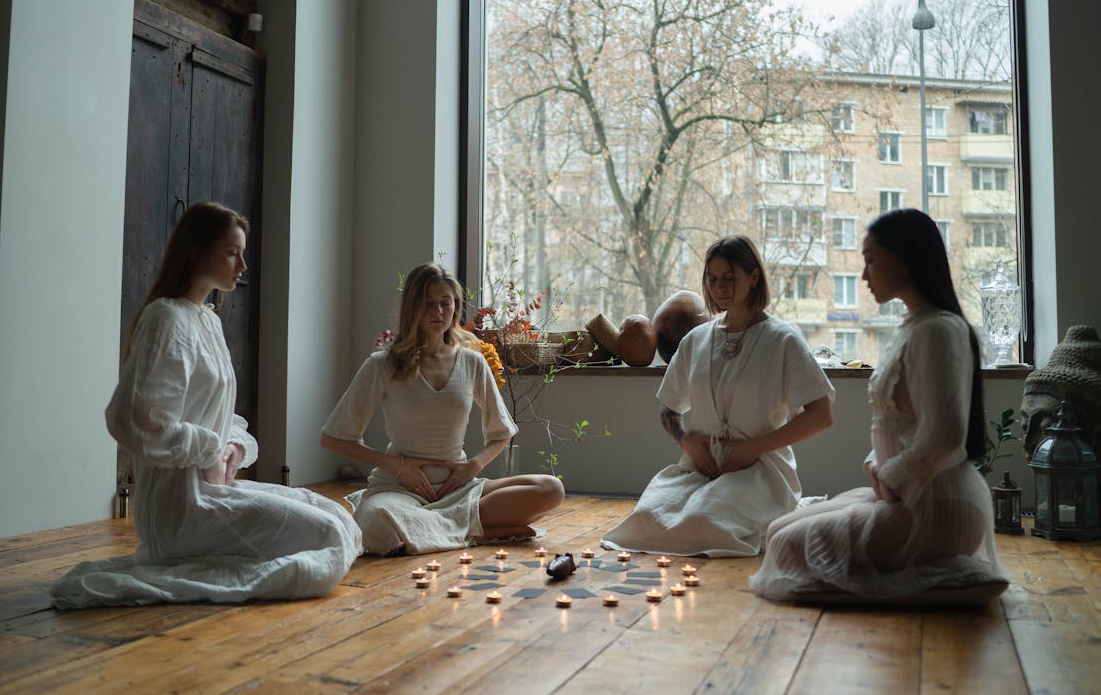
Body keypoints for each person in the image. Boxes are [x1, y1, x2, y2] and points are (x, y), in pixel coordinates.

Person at [52, 202, 361, 608]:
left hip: (215, 487)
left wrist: (232, 447)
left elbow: (216, 413)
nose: (243, 265)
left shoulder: (207, 320)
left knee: (340, 519)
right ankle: (189, 563)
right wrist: (208, 449)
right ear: (195, 251)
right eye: (232, 252)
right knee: (330, 538)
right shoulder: (165, 319)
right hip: (181, 507)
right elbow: (132, 419)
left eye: (242, 253)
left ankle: (219, 558)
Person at [749, 209, 1007, 601]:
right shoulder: (914, 326)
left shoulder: (939, 329)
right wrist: (877, 463)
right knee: (776, 533)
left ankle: (939, 578)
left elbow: (946, 436)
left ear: (904, 260)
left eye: (870, 261)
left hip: (941, 507)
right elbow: (900, 420)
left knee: (789, 546)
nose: (865, 276)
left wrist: (891, 476)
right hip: (903, 495)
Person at [601, 236, 834, 557]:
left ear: (754, 277)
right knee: (647, 517)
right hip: (701, 467)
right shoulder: (696, 340)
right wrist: (686, 442)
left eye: (729, 278)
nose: (720, 287)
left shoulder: (783, 339)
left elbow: (821, 415)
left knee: (704, 521)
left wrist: (752, 448)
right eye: (712, 280)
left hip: (760, 471)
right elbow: (668, 410)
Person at [320, 262, 565, 555]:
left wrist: (473, 466)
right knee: (375, 525)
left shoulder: (472, 362)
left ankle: (438, 530)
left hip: (459, 490)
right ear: (413, 307)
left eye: (445, 304)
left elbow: (501, 433)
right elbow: (333, 438)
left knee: (551, 489)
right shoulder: (383, 364)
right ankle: (479, 532)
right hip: (398, 491)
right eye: (428, 304)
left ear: (456, 306)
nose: (438, 313)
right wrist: (400, 467)